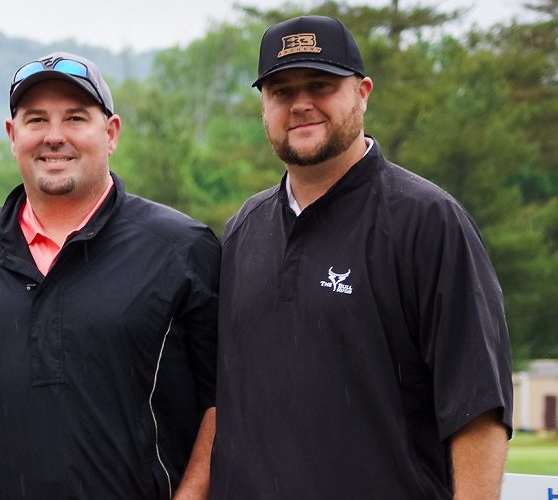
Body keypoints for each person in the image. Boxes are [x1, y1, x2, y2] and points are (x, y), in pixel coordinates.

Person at [211, 15, 513, 498]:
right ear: (264, 106)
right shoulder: (243, 230)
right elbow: (221, 400)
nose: (301, 104)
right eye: (281, 91)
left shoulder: (428, 222)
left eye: (320, 84)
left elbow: (477, 407)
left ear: (363, 92)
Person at [0, 52, 220, 499]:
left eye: (75, 118)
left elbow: (222, 401)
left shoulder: (181, 248)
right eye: (36, 120)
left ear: (111, 133)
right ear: (12, 136)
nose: (54, 137)